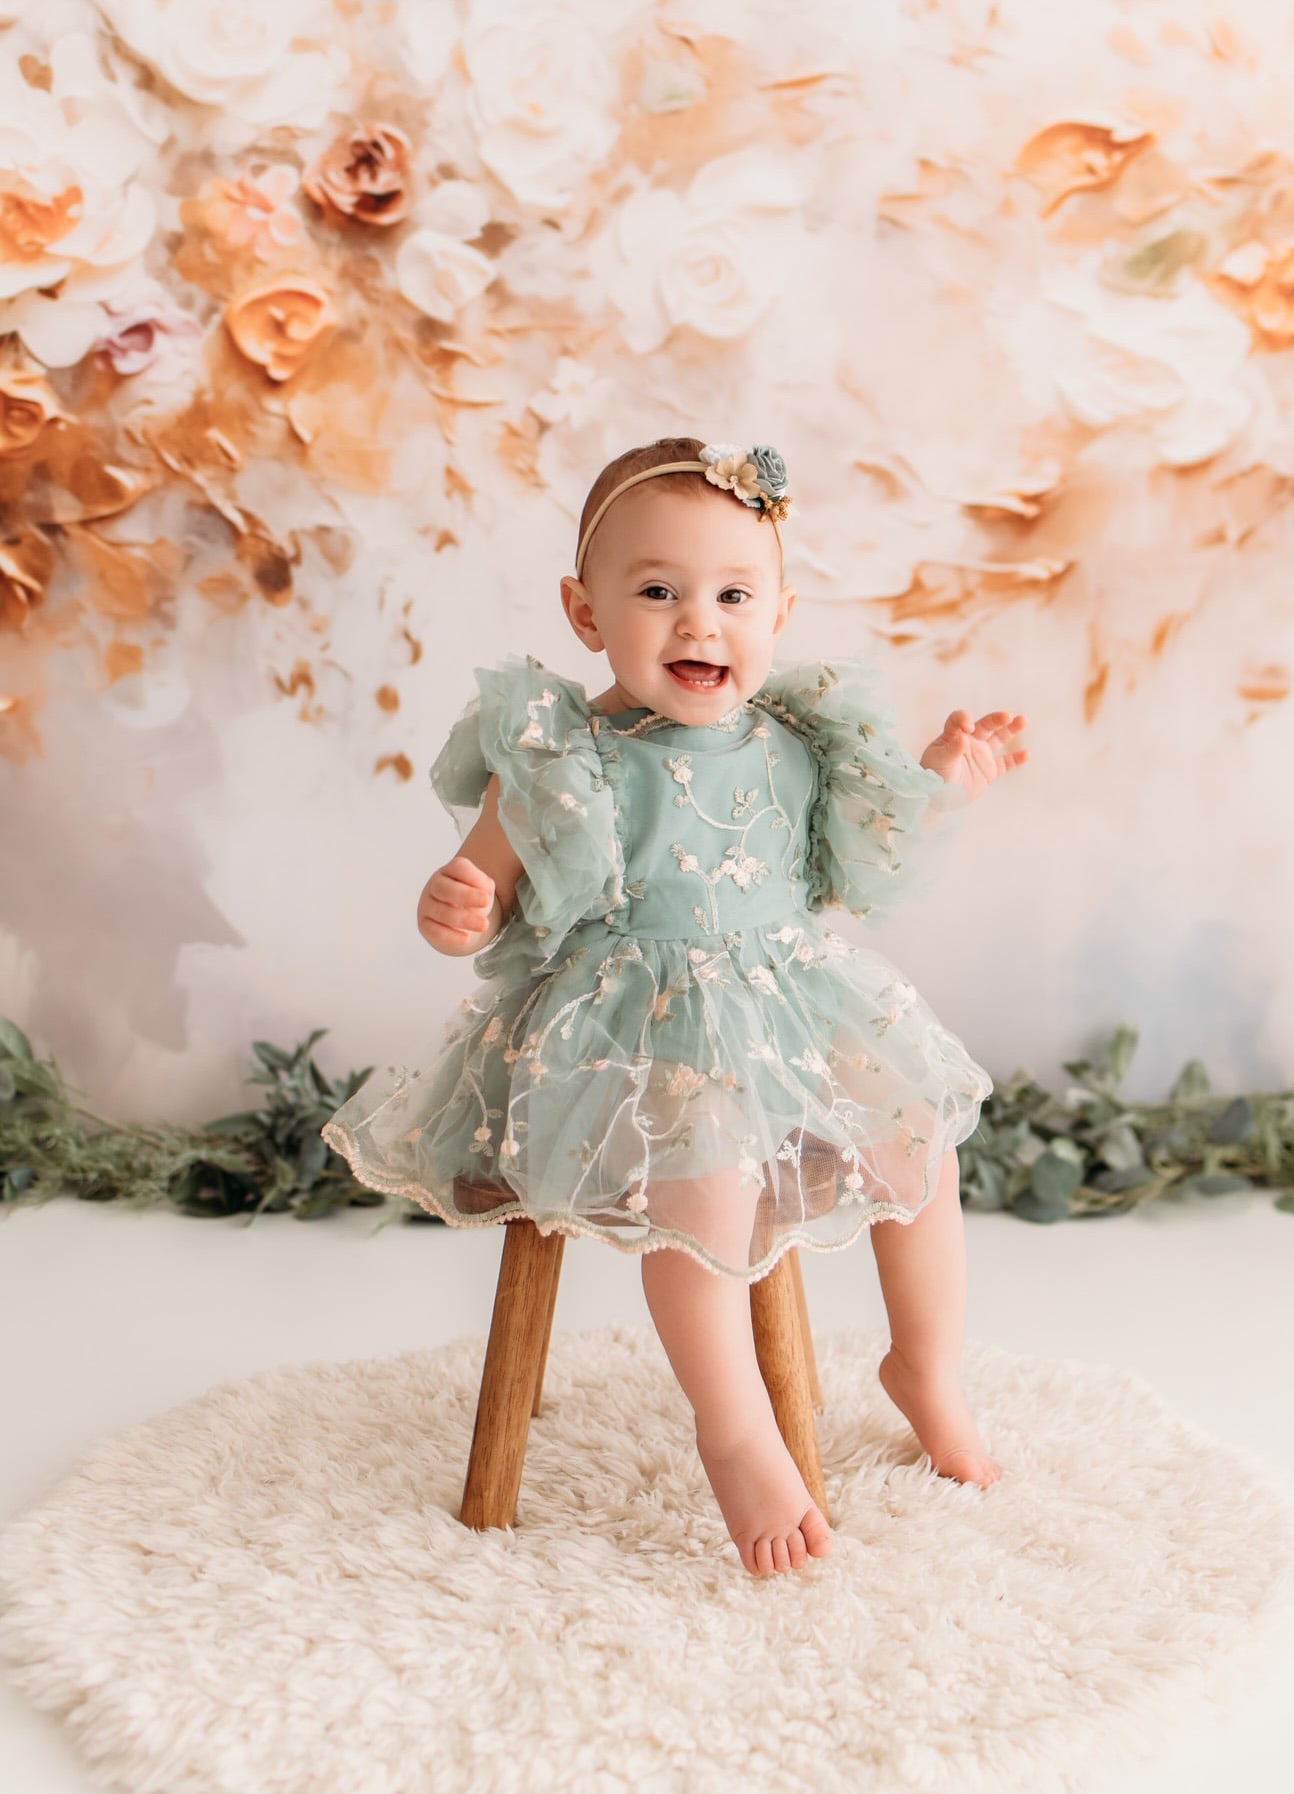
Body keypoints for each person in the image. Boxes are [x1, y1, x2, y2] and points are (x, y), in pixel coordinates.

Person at [320, 436, 1030, 1577]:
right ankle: (734, 1425)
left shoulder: (799, 742)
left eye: (732, 596)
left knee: (921, 1151)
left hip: (790, 1005)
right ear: (586, 611)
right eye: (658, 593)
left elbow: (865, 863)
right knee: (702, 1193)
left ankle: (925, 1366)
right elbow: (484, 886)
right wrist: (457, 901)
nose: (699, 624)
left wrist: (947, 777)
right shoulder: (566, 755)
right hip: (627, 1037)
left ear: (779, 612)